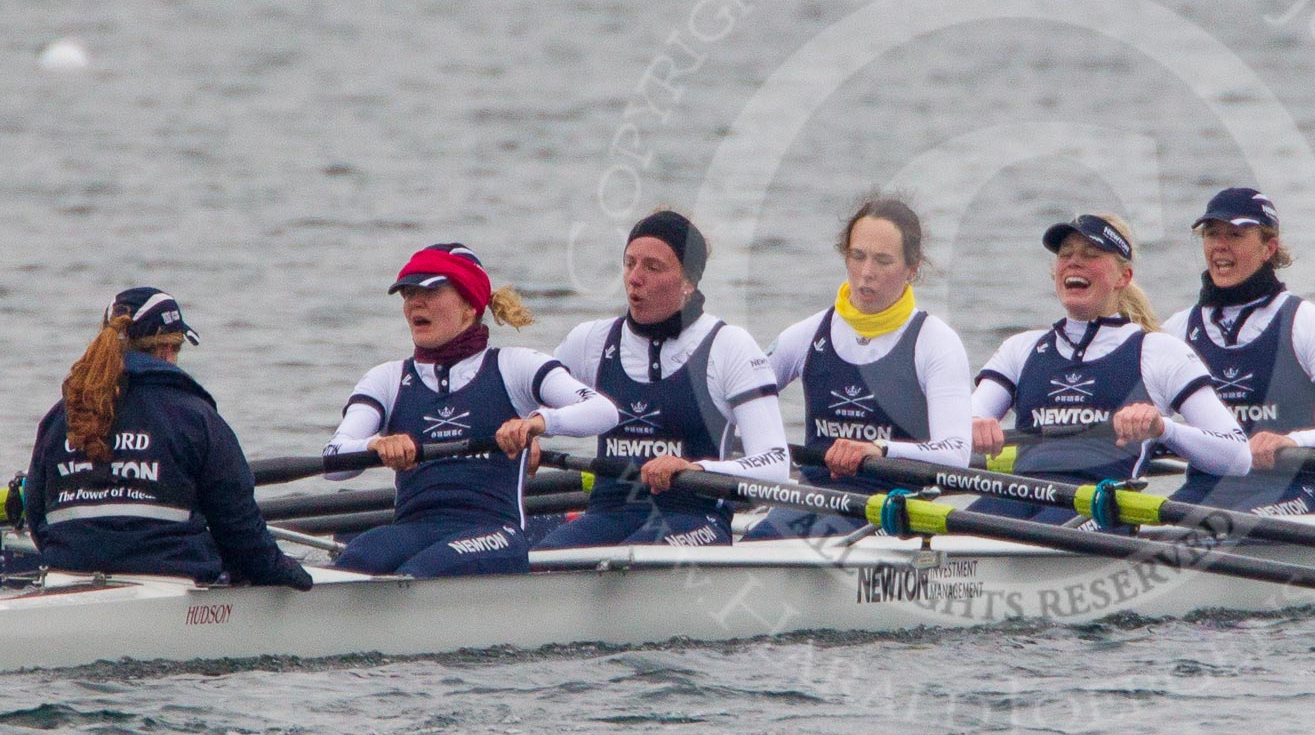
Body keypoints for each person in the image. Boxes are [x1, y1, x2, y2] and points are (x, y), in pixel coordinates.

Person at [324, 243, 619, 576]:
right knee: (356, 560)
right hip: (415, 527)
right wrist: (373, 446)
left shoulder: (514, 366)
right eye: (408, 293)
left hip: (495, 532)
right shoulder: (387, 378)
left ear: (468, 305)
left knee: (421, 571)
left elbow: (603, 411)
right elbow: (334, 462)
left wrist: (539, 422)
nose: (414, 302)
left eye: (430, 290)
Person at [970, 214, 1249, 526]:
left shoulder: (1158, 351)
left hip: (1099, 504)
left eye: (1091, 255)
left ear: (1123, 277)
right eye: (1066, 255)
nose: (1075, 263)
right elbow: (958, 430)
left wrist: (1162, 430)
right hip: (1019, 496)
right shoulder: (1020, 349)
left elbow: (1237, 457)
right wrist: (974, 425)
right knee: (955, 532)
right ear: (1055, 273)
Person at [26, 288, 311, 589]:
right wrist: (290, 575)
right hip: (167, 585)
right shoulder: (195, 417)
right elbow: (239, 529)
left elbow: (36, 516)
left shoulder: (61, 417)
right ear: (167, 351)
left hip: (64, 581)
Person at [539, 211, 790, 548]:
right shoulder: (589, 342)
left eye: (653, 267)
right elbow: (523, 405)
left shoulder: (728, 346)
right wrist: (527, 430)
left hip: (693, 517)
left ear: (688, 282)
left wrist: (695, 468)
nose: (634, 278)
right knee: (542, 558)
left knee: (633, 558)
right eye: (629, 263)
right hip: (609, 513)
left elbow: (776, 463)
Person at [744, 198, 972, 540]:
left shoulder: (936, 342)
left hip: (896, 507)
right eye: (857, 256)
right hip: (814, 498)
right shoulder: (808, 334)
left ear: (912, 268)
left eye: (883, 261)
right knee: (756, 544)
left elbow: (955, 454)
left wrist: (880, 449)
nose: (866, 273)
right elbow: (733, 399)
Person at [1162, 188, 1315, 514]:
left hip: (1289, 488)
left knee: (1225, 528)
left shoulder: (1306, 323)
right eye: (1212, 234)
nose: (1220, 245)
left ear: (1269, 247)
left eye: (1235, 234)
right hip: (1204, 489)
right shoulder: (1177, 330)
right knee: (1152, 540)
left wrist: (1294, 442)